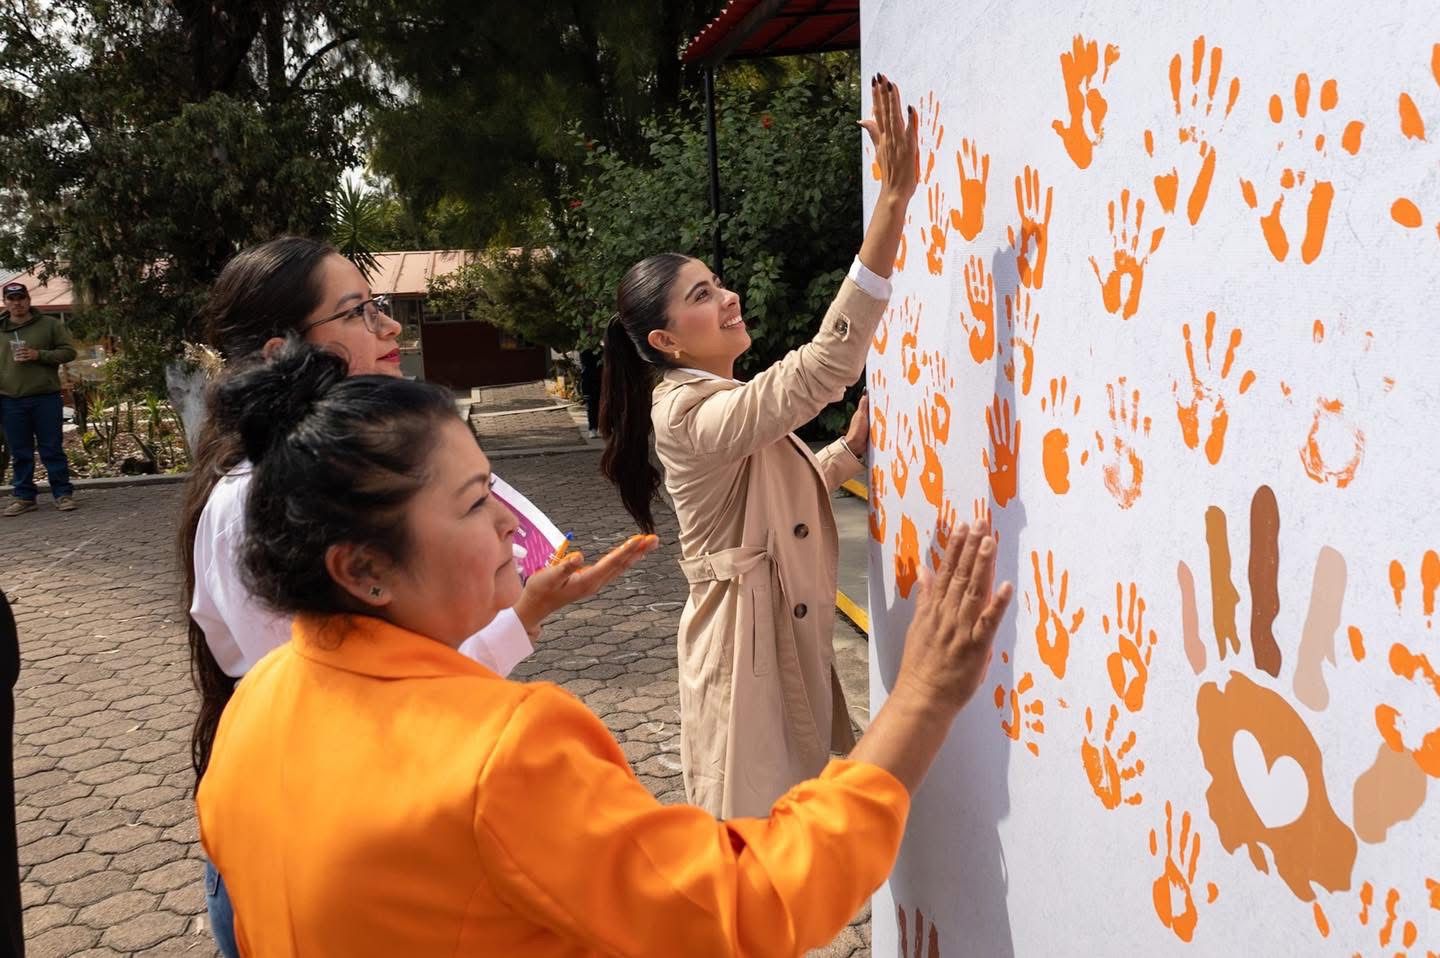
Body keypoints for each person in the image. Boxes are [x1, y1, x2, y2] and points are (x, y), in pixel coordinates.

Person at [196, 337, 1013, 956]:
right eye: (478, 502)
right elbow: (743, 902)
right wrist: (922, 698)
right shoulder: (501, 753)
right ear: (364, 570)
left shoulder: (257, 707)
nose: (512, 524)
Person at [178, 238, 658, 958]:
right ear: (282, 353)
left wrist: (527, 609)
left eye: (381, 307)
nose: (391, 328)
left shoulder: (333, 482)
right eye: (359, 312)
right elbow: (367, 717)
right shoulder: (253, 504)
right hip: (319, 855)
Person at [598, 76, 917, 817]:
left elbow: (768, 498)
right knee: (751, 861)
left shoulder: (716, 404)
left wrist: (845, 453)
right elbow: (821, 371)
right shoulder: (682, 412)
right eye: (702, 296)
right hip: (742, 662)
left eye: (717, 283)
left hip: (769, 642)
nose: (728, 296)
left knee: (781, 849)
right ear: (665, 340)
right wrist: (892, 207)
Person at [1, 281, 77, 515]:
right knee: (19, 450)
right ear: (5, 302)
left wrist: (39, 354)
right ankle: (24, 497)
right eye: (12, 299)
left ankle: (62, 494)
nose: (17, 303)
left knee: (51, 448)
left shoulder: (49, 325)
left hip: (45, 397)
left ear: (28, 300)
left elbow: (69, 352)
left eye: (21, 298)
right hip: (9, 399)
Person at [578, 347, 602, 438]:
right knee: (593, 411)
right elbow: (585, 382)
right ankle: (593, 429)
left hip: (596, 391)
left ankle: (595, 429)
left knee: (594, 411)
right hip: (592, 392)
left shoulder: (590, 369)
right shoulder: (587, 369)